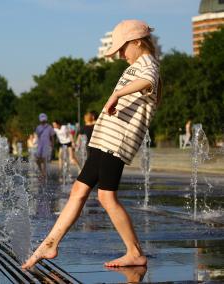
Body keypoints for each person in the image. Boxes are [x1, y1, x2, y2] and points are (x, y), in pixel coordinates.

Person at [22, 19, 161, 269]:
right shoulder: (136, 65)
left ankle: (134, 252)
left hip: (117, 142)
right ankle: (50, 242)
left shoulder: (148, 64)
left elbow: (149, 82)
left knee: (107, 197)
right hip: (104, 140)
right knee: (78, 191)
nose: (120, 54)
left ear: (138, 42)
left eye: (122, 48)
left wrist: (118, 94)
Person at [35, 113, 55, 178]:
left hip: (46, 144)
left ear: (46, 119)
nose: (43, 121)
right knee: (37, 158)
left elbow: (52, 136)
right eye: (42, 119)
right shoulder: (38, 127)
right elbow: (37, 136)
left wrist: (52, 144)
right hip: (40, 144)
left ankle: (44, 173)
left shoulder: (49, 127)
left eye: (44, 119)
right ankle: (41, 171)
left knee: (44, 158)